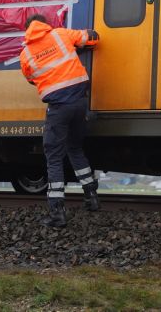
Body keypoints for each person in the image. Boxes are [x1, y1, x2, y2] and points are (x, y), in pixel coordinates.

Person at [19, 14, 100, 228]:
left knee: (54, 157)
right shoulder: (60, 34)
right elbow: (93, 38)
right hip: (81, 103)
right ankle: (91, 197)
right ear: (44, 24)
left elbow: (30, 79)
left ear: (27, 30)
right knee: (75, 148)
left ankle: (57, 213)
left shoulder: (25, 54)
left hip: (58, 109)